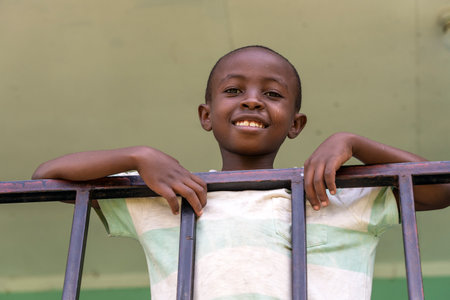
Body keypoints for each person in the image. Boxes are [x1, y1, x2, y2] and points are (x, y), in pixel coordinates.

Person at [32, 45, 450, 299]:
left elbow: (440, 189)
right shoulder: (169, 196)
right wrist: (137, 156)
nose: (251, 101)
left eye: (271, 94)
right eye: (234, 91)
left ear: (296, 124)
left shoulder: (332, 194)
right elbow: (48, 177)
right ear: (206, 115)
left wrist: (354, 144)